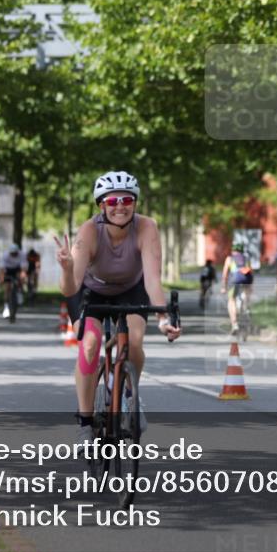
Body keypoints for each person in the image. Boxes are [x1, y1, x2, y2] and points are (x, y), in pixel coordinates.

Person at [56, 170, 181, 444]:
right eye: (112, 202)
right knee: (90, 343)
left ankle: (128, 399)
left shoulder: (147, 227)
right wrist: (66, 269)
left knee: (134, 341)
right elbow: (70, 288)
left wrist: (162, 318)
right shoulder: (90, 230)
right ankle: (86, 423)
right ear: (102, 205)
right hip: (89, 291)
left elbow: (152, 279)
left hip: (130, 289)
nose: (120, 207)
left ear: (135, 203)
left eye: (126, 200)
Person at [222, 242, 253, 335]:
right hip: (247, 280)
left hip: (235, 280)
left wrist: (224, 286)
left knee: (231, 301)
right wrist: (251, 287)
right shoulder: (247, 258)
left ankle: (235, 324)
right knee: (246, 296)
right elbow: (251, 272)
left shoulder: (229, 259)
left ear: (233, 250)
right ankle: (247, 308)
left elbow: (225, 274)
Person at [1, 243, 28, 318]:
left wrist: (23, 276)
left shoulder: (22, 254)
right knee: (7, 288)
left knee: (21, 278)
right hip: (8, 270)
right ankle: (6, 307)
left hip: (17, 269)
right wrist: (2, 278)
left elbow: (23, 268)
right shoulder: (5, 255)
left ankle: (19, 291)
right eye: (12, 253)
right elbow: (2, 269)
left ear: (17, 252)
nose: (13, 254)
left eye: (15, 253)